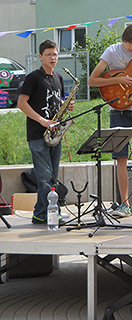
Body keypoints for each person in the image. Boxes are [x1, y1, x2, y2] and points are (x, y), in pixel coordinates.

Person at [88, 23, 132, 217]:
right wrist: (118, 80)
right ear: (124, 38)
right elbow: (92, 80)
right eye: (130, 44)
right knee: (121, 157)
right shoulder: (111, 52)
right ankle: (124, 203)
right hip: (118, 110)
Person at [18, 39, 73, 225]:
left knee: (52, 178)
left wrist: (67, 105)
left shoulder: (58, 78)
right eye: (48, 54)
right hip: (37, 134)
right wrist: (42, 120)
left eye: (55, 54)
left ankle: (40, 213)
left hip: (55, 135)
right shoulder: (33, 78)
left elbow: (58, 101)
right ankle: (52, 213)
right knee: (44, 178)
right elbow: (21, 103)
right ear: (40, 57)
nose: (52, 57)